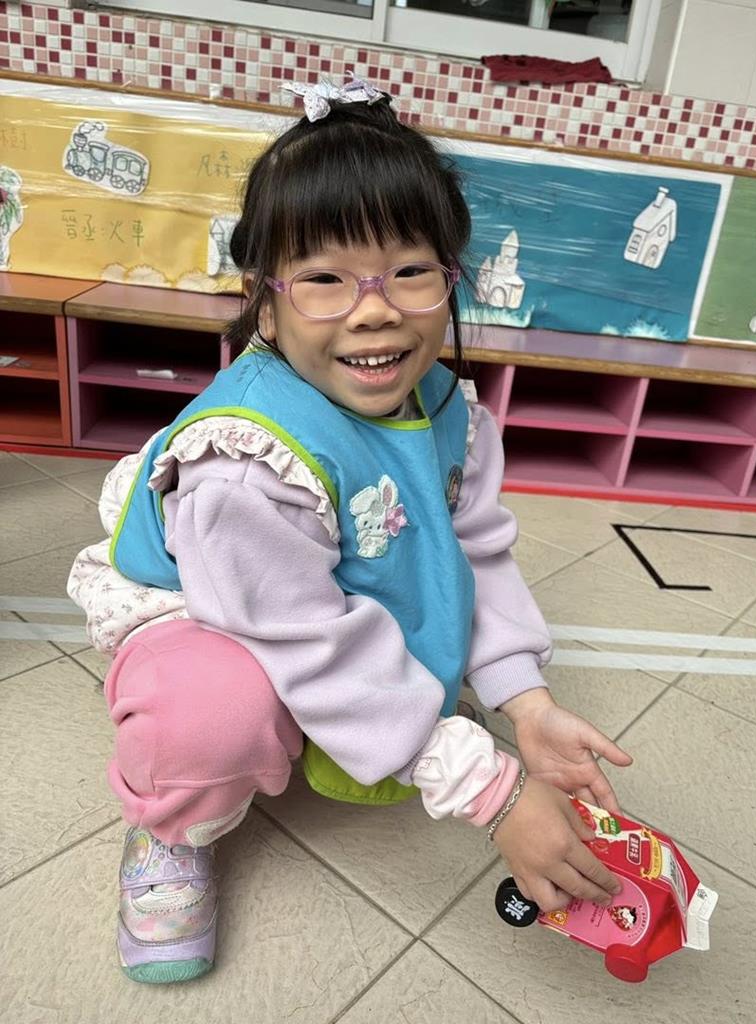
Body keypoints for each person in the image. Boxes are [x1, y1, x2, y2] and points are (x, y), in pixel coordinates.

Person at [68, 75, 632, 986]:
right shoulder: (244, 466)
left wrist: (525, 704)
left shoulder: (448, 410)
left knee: (410, 584)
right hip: (214, 608)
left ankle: (382, 719)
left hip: (313, 582)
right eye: (325, 279)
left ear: (451, 279)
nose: (375, 309)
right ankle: (170, 828)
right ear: (265, 300)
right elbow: (303, 634)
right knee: (212, 710)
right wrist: (493, 793)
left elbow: (473, 553)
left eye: (410, 271)